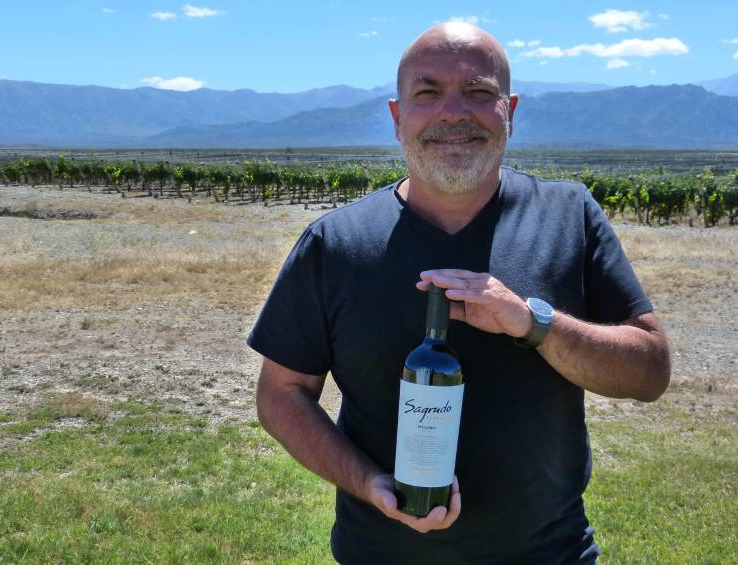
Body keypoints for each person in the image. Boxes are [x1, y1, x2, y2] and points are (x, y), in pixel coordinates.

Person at [247, 22, 670, 564]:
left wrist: (534, 323)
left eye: (478, 92)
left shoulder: (570, 217)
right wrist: (367, 480)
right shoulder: (336, 243)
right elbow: (281, 395)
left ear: (509, 110)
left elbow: (650, 372)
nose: (453, 112)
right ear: (398, 117)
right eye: (428, 93)